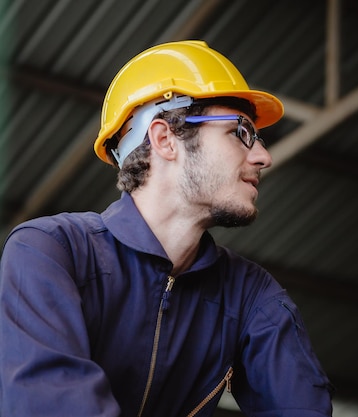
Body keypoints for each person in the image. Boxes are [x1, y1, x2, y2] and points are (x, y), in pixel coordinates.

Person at [0, 40, 334, 417]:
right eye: (241, 131)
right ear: (164, 139)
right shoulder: (51, 252)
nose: (263, 156)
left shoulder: (251, 296)